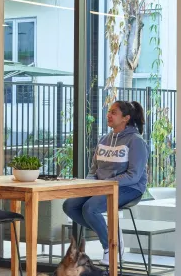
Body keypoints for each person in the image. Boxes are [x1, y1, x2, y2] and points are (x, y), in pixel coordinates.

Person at [63, 100, 148, 266]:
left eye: (114, 112)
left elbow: (134, 175)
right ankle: (113, 235)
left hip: (129, 188)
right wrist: (88, 184)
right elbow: (93, 170)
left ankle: (110, 247)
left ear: (126, 118)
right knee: (70, 206)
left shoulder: (135, 141)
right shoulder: (104, 140)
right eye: (109, 111)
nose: (108, 115)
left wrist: (106, 184)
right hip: (103, 187)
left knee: (91, 208)